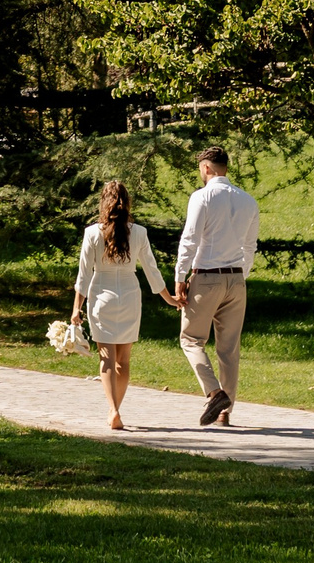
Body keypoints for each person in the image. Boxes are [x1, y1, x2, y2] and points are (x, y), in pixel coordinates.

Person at [69, 179, 174, 430]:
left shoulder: (92, 233)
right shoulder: (139, 232)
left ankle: (113, 409)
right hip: (128, 295)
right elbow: (152, 271)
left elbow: (83, 275)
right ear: (127, 203)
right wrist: (169, 299)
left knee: (106, 357)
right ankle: (116, 409)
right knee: (123, 360)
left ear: (103, 203)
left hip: (101, 297)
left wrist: (76, 309)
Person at [172, 145, 259, 426]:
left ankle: (214, 392)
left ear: (207, 168)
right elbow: (250, 246)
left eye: (201, 168)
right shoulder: (248, 201)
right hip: (236, 279)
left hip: (207, 275)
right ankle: (225, 413)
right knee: (229, 349)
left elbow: (190, 239)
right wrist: (239, 276)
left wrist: (180, 277)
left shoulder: (202, 197)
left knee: (191, 339)